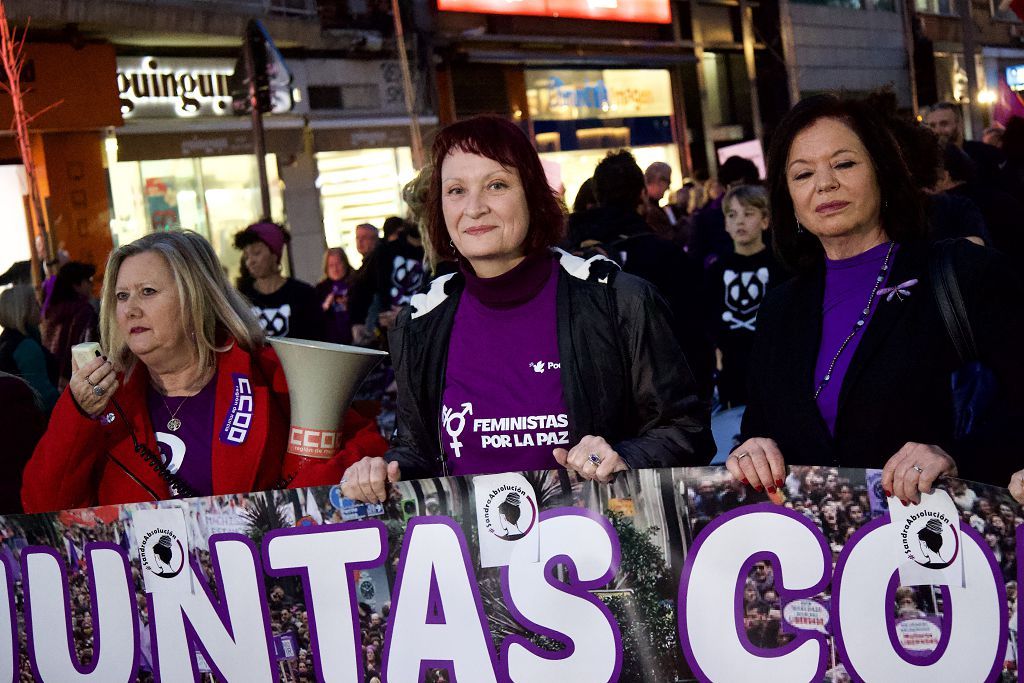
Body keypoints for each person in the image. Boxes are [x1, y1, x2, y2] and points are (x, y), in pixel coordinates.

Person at [339, 115, 714, 503]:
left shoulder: (617, 301)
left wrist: (625, 457)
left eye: (496, 185)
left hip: (597, 548)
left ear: (533, 195)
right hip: (475, 560)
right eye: (455, 190)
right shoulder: (421, 322)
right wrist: (381, 472)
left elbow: (687, 431)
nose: (474, 208)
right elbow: (416, 452)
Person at [729, 94, 1024, 504]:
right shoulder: (780, 308)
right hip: (821, 558)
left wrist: (958, 456)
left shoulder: (963, 273)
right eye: (802, 174)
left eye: (844, 163)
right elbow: (758, 429)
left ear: (883, 172)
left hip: (947, 549)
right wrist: (750, 452)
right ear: (790, 199)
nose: (825, 183)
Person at [21, 231, 386, 512]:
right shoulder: (103, 403)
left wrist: (354, 473)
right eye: (121, 296)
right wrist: (78, 414)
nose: (130, 309)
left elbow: (366, 446)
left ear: (197, 297)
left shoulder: (271, 375)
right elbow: (40, 505)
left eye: (147, 291)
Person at [704, 184, 787, 408]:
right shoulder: (716, 271)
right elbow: (708, 317)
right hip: (732, 369)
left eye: (749, 214)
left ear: (765, 220)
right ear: (726, 224)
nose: (740, 221)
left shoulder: (780, 268)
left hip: (773, 367)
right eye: (732, 215)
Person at [234, 221, 324, 341]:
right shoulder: (241, 297)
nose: (250, 261)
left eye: (256, 253)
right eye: (246, 256)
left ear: (275, 255)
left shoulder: (304, 295)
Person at [0, 285, 60, 411]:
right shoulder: (26, 347)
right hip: (36, 423)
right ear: (25, 309)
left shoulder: (5, 342)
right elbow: (44, 396)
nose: (39, 306)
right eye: (35, 302)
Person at [41, 261, 99, 386]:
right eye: (88, 280)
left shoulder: (50, 313)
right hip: (77, 380)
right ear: (76, 285)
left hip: (55, 380)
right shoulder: (83, 312)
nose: (91, 284)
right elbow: (87, 345)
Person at [314, 247, 354, 345]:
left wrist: (350, 304)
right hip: (331, 340)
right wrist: (326, 304)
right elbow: (315, 316)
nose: (335, 268)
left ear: (345, 263)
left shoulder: (356, 282)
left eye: (338, 264)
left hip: (355, 336)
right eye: (331, 265)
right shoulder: (320, 288)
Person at [643, 161, 676, 236]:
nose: (668, 187)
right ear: (658, 180)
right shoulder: (649, 210)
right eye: (668, 181)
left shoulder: (650, 207)